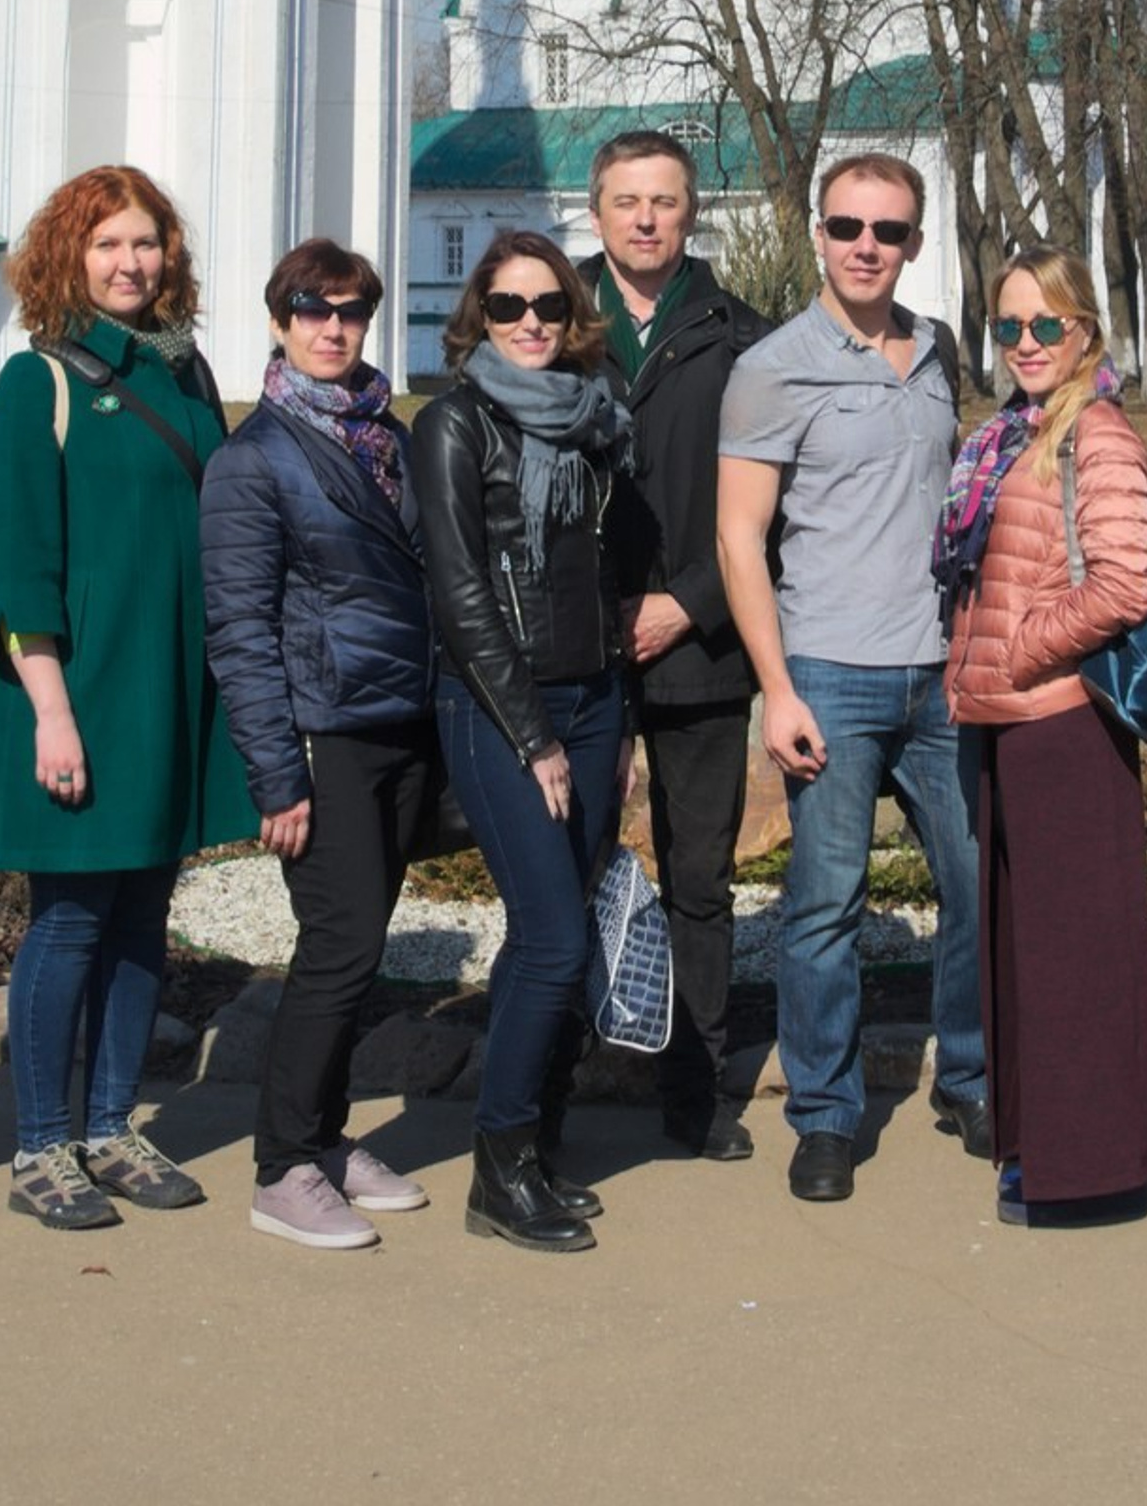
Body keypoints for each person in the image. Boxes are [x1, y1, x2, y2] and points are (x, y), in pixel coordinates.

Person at [0, 165, 254, 1232]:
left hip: (167, 688)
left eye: (147, 242)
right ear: (67, 257)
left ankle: (109, 1124)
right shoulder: (34, 384)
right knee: (70, 920)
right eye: (108, 244)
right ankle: (40, 1142)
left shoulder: (184, 374)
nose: (132, 262)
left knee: (140, 920)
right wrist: (49, 708)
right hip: (74, 693)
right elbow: (18, 571)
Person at [716, 152, 985, 1205]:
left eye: (888, 229)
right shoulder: (774, 364)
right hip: (828, 667)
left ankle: (965, 1074)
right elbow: (740, 537)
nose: (866, 245)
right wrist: (776, 687)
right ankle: (824, 1114)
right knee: (825, 905)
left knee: (974, 885)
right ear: (818, 234)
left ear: (914, 240)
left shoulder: (935, 352)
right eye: (846, 226)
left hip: (941, 673)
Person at [199, 240, 437, 1249]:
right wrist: (275, 769)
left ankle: (329, 1137)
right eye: (310, 307)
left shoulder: (389, 433)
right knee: (336, 945)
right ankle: (281, 1162)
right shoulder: (254, 458)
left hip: (400, 721)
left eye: (348, 310)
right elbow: (240, 628)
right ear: (279, 318)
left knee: (363, 939)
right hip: (321, 727)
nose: (330, 325)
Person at [407, 229, 638, 1255]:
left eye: (548, 304)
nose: (531, 323)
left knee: (557, 926)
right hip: (503, 709)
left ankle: (534, 1141)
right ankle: (498, 1167)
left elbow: (604, 573)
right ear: (478, 317)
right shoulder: (454, 424)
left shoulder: (595, 418)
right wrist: (533, 732)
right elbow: (460, 595)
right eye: (508, 307)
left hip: (592, 700)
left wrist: (612, 714)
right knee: (554, 936)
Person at [938, 247, 1147, 1227]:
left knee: (1076, 953)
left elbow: (1124, 581)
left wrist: (1020, 648)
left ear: (1084, 331)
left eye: (1046, 324)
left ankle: (1091, 1168)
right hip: (1005, 716)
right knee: (1024, 947)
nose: (1026, 342)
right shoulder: (1011, 432)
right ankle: (1039, 1146)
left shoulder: (1096, 433)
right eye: (1009, 326)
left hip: (1064, 718)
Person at [586, 131, 768, 1161]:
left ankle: (695, 1089)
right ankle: (557, 1069)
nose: (646, 217)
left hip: (701, 649)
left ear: (691, 211)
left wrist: (687, 602)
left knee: (698, 876)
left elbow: (772, 503)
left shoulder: (739, 334)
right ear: (596, 209)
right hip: (581, 649)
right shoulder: (547, 317)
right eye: (626, 200)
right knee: (566, 867)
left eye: (663, 200)